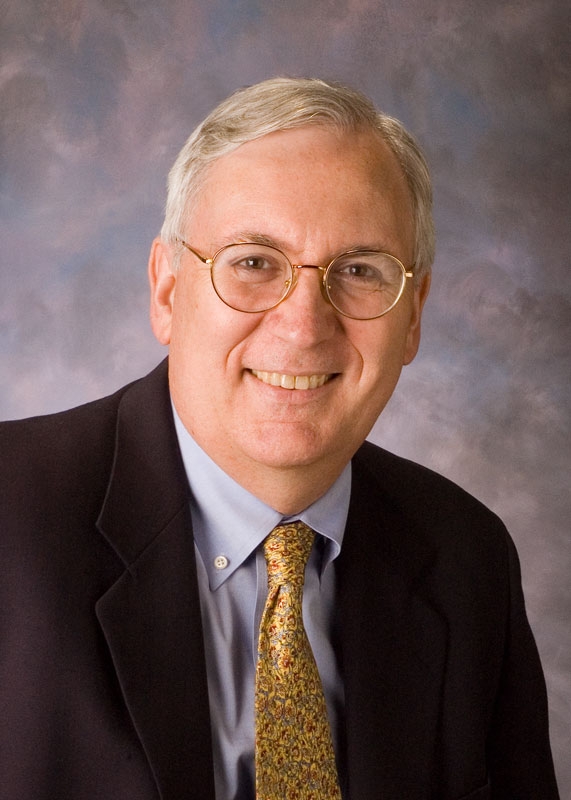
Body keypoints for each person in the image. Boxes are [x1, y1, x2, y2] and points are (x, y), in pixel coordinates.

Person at [0, 77, 559, 800]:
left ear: (413, 315)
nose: (303, 326)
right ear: (168, 291)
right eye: (253, 262)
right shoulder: (11, 515)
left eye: (358, 271)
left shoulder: (465, 557)